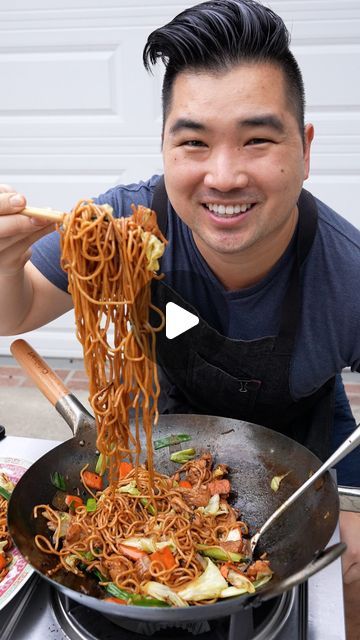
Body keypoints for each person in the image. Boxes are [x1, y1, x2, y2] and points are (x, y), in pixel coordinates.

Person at [0, 0, 359, 589]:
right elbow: (16, 311)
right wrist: (7, 262)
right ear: (165, 148)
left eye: (257, 140)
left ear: (306, 149)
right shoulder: (122, 226)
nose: (222, 176)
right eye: (194, 142)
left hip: (302, 458)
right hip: (160, 448)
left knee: (348, 574)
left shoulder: (348, 277)